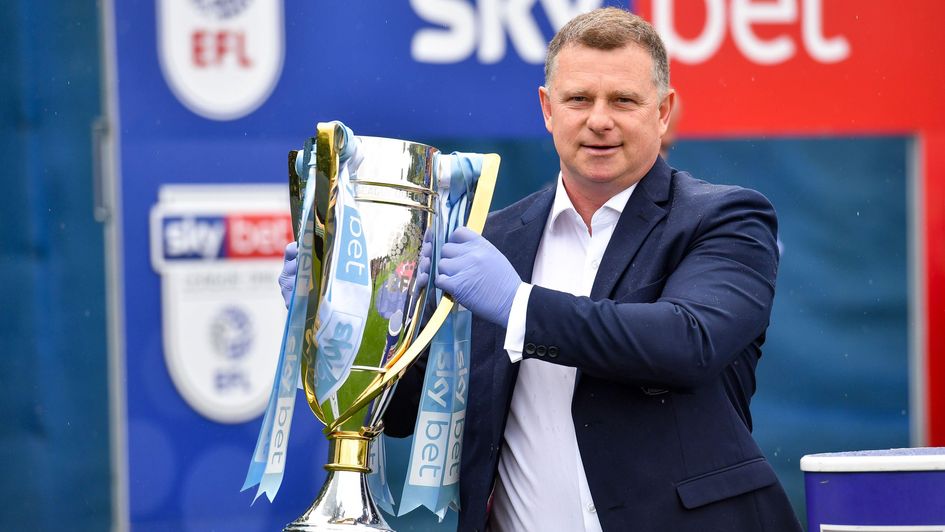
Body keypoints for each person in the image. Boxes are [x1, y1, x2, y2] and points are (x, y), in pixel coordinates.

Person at [282, 8, 801, 531]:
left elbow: (687, 344)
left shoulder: (727, 218)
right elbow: (401, 411)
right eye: (579, 99)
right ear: (548, 109)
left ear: (663, 112)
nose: (600, 119)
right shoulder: (494, 240)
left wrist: (518, 306)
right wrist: (341, 324)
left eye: (623, 100)